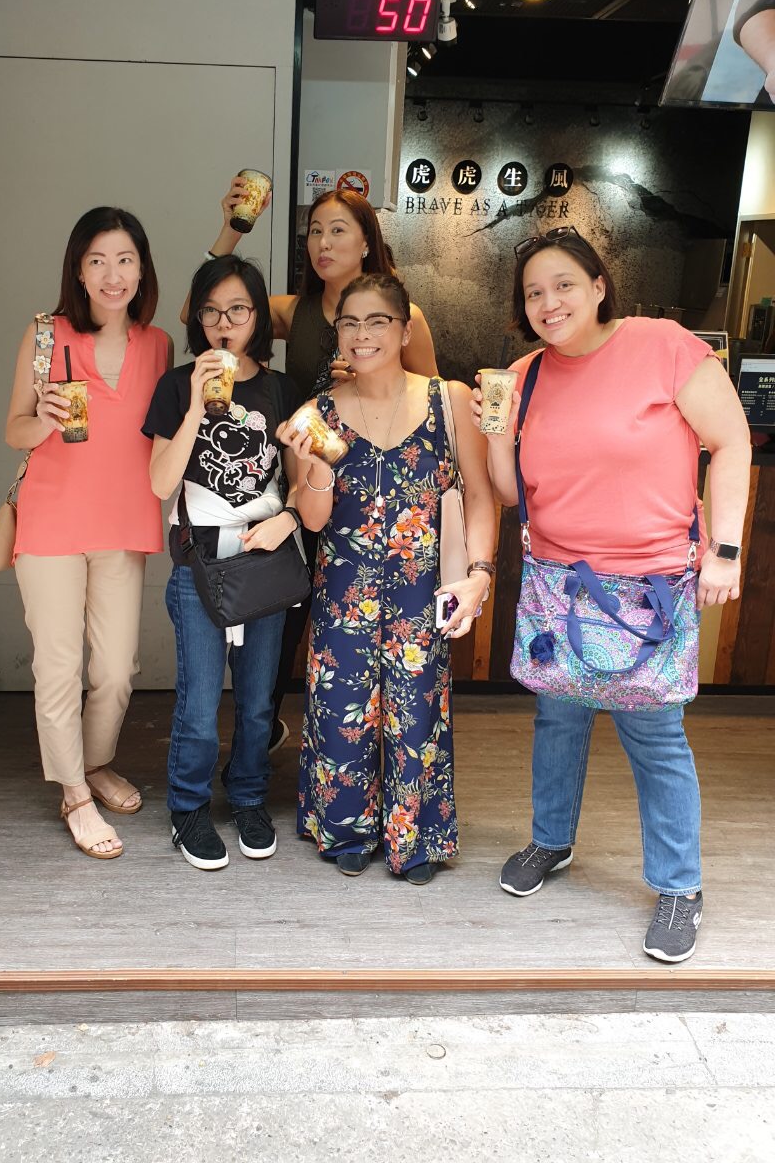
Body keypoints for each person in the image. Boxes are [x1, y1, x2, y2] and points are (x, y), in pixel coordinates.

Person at [473, 225, 751, 961]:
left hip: (649, 586)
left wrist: (724, 551)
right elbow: (509, 492)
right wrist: (495, 431)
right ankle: (551, 841)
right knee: (557, 719)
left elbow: (731, 441)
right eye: (534, 292)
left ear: (599, 286)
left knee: (654, 737)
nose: (549, 302)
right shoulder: (525, 375)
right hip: (556, 582)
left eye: (564, 284)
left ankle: (680, 886)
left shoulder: (664, 347)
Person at [185, 179, 440, 753]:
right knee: (287, 610)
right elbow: (200, 310)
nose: (323, 243)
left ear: (368, 242)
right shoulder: (292, 310)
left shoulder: (406, 317)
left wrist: (373, 380)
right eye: (314, 232)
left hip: (377, 491)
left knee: (374, 622)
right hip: (301, 483)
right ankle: (262, 742)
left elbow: (429, 398)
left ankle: (377, 744)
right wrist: (232, 228)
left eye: (338, 231)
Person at [280, 273, 496, 884]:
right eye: (349, 323)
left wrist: (480, 572)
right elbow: (313, 518)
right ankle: (346, 827)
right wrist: (317, 463)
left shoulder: (448, 401)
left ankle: (416, 838)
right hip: (343, 588)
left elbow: (480, 495)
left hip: (422, 590)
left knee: (418, 714)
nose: (362, 334)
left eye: (378, 321)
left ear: (404, 330)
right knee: (340, 712)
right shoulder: (317, 413)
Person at [5, 206, 171, 859]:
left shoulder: (158, 345)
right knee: (58, 664)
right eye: (98, 260)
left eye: (125, 260)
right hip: (51, 521)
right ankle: (74, 791)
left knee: (116, 668)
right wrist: (44, 419)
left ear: (141, 269)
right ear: (78, 269)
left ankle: (95, 761)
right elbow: (14, 430)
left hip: (124, 523)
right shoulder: (46, 334)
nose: (112, 274)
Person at [144, 255, 302, 871]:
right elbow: (160, 483)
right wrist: (193, 404)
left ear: (258, 316)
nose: (223, 324)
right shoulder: (175, 384)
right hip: (200, 560)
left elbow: (299, 480)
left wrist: (290, 518)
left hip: (264, 558)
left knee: (259, 701)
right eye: (211, 312)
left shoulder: (282, 390)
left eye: (237, 310)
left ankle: (248, 796)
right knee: (200, 701)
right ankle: (188, 807)